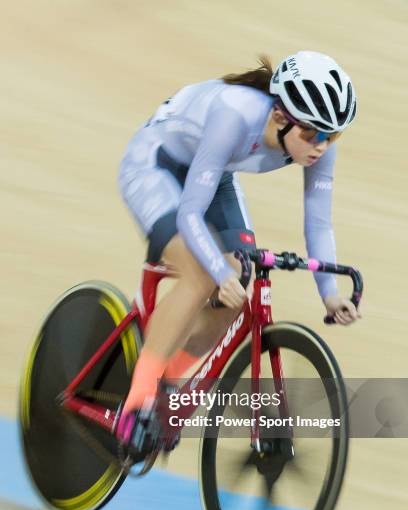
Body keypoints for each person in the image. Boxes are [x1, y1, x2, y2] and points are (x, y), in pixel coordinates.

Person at [117, 50, 361, 425]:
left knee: (240, 280)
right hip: (155, 165)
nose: (322, 146)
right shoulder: (234, 117)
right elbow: (190, 214)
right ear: (280, 117)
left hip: (215, 173)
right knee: (202, 275)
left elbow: (319, 224)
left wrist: (329, 295)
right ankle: (138, 399)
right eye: (314, 133)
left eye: (333, 135)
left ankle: (169, 385)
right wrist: (217, 271)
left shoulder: (316, 146)